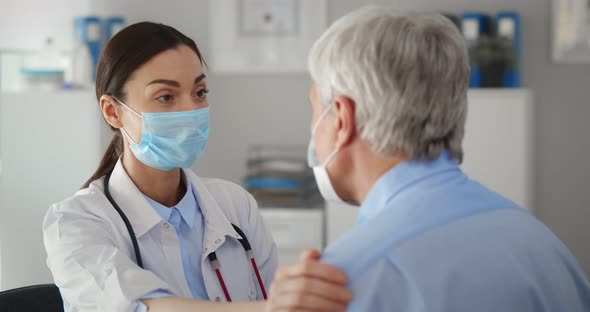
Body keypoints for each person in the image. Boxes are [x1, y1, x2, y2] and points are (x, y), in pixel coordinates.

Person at [273, 6, 590, 311]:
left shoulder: (334, 286)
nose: (314, 129)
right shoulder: (544, 247)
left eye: (315, 110)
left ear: (341, 119)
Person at [43, 22, 351, 312]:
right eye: (165, 97)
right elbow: (143, 307)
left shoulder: (235, 205)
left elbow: (272, 296)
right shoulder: (74, 223)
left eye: (199, 92)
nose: (190, 110)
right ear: (113, 112)